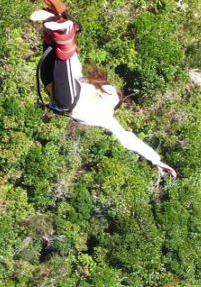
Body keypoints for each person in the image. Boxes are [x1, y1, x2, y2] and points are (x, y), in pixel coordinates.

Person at [32, 9, 177, 177]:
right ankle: (64, 31)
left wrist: (155, 158)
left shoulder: (100, 97)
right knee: (62, 56)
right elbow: (127, 138)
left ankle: (54, 27)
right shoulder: (107, 116)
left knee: (54, 53)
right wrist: (154, 158)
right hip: (68, 98)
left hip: (54, 89)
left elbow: (75, 65)